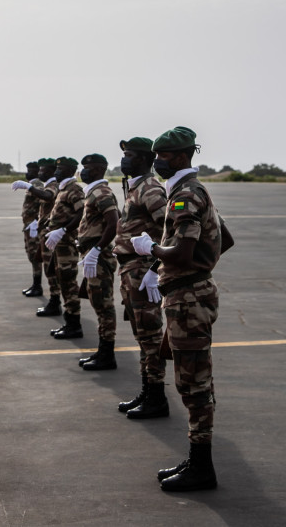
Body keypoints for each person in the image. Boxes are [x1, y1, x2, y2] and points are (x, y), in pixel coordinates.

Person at [131, 126, 234, 492]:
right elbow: (226, 238)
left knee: (193, 384)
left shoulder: (184, 196)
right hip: (189, 293)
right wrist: (193, 270)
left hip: (188, 300)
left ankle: (202, 467)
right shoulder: (191, 190)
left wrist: (153, 252)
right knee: (191, 380)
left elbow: (184, 251)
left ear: (180, 156)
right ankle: (197, 460)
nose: (157, 160)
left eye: (162, 155)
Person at [112, 137, 169, 418]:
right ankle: (148, 391)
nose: (124, 159)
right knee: (141, 335)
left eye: (131, 155)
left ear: (146, 159)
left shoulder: (150, 189)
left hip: (142, 270)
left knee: (150, 337)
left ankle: (157, 397)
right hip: (129, 270)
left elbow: (170, 229)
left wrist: (155, 266)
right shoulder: (135, 187)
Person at [75, 154, 120, 370]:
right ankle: (102, 351)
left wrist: (97, 249)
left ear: (99, 169)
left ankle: (107, 354)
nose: (84, 171)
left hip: (99, 257)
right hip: (93, 254)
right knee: (97, 303)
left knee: (104, 305)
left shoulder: (101, 192)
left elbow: (114, 223)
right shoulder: (92, 191)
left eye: (88, 167)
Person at [44, 157, 85, 339]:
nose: (57, 172)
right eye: (57, 168)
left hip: (67, 244)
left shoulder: (74, 189)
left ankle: (74, 325)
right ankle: (70, 322)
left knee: (68, 283)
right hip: (59, 244)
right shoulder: (64, 188)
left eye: (61, 169)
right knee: (60, 278)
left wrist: (63, 229)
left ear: (71, 170)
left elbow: (81, 212)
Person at [27, 158, 63, 316]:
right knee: (46, 266)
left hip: (50, 234)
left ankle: (55, 301)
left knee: (51, 269)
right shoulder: (48, 184)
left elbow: (48, 197)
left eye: (42, 170)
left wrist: (28, 186)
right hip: (44, 232)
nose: (39, 172)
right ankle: (53, 300)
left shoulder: (52, 185)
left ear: (50, 171)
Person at [11, 161, 46, 296]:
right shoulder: (33, 184)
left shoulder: (36, 184)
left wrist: (36, 221)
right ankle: (35, 284)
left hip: (34, 227)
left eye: (31, 170)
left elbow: (43, 202)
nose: (28, 173)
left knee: (35, 256)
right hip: (29, 226)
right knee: (32, 256)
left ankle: (37, 286)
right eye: (27, 170)